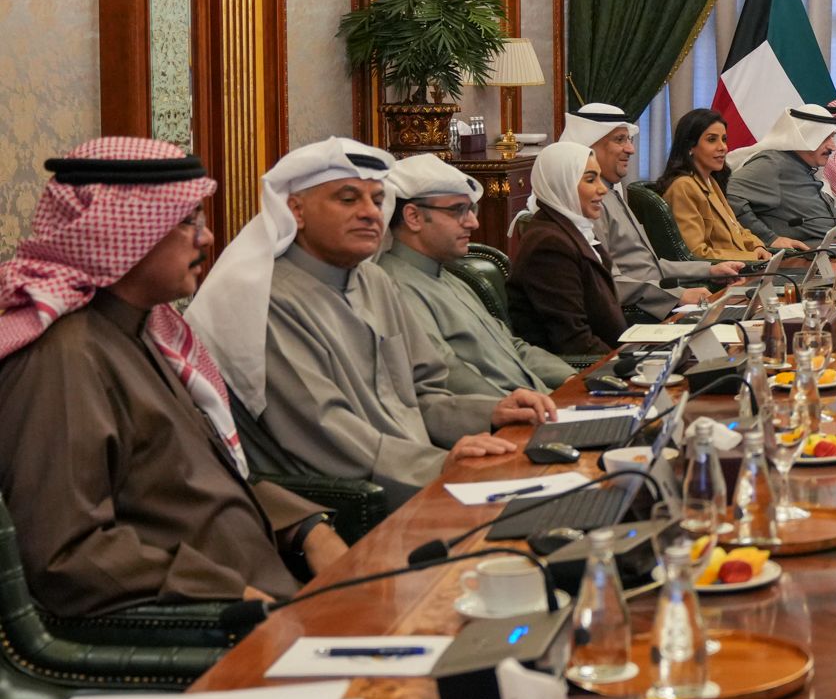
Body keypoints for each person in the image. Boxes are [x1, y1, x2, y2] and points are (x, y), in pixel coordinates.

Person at [0, 139, 344, 616]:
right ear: (120, 233)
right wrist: (237, 598)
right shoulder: (63, 359)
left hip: (271, 595)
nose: (206, 238)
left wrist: (308, 528)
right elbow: (66, 554)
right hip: (220, 625)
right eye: (187, 221)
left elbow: (191, 482)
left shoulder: (147, 330)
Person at [187, 138, 532, 510]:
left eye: (377, 200)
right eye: (349, 199)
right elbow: (325, 428)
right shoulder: (266, 299)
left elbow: (424, 394)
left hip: (428, 476)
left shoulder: (375, 282)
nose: (370, 213)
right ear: (296, 211)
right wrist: (439, 466)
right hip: (356, 506)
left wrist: (491, 413)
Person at [377, 154, 577, 397]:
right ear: (413, 217)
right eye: (458, 210)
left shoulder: (451, 277)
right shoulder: (394, 288)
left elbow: (512, 346)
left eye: (471, 209)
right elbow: (447, 373)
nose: (473, 223)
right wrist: (516, 406)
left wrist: (573, 379)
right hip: (504, 413)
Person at [557, 102, 732, 320]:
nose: (631, 149)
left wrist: (710, 270)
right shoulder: (588, 203)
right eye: (620, 140)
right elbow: (609, 281)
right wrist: (679, 296)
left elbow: (648, 267)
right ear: (588, 146)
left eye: (629, 140)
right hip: (640, 314)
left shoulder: (611, 193)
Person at [511, 141, 628, 355]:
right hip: (586, 369)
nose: (602, 189)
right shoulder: (549, 246)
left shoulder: (573, 229)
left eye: (599, 178)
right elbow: (575, 342)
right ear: (562, 183)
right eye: (590, 180)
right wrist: (628, 364)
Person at [657, 108, 805, 258]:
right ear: (690, 147)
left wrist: (757, 246)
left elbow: (736, 229)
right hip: (725, 270)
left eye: (724, 139)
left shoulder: (711, 181)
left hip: (740, 265)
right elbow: (696, 253)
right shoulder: (683, 187)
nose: (723, 147)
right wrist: (752, 258)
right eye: (712, 140)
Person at [728, 106, 836, 245]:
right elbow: (728, 195)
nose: (833, 146)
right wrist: (769, 239)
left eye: (832, 137)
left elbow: (831, 217)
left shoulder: (805, 167)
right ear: (805, 137)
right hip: (798, 261)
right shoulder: (773, 164)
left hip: (830, 251)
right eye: (825, 138)